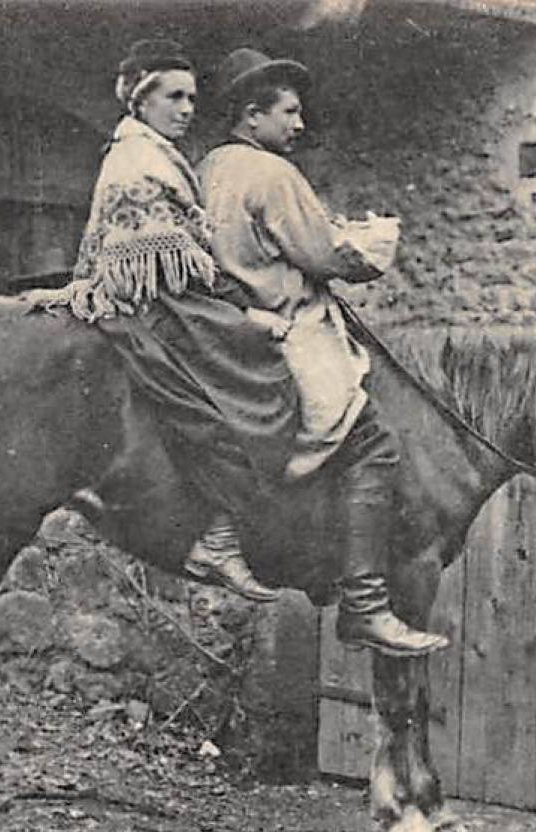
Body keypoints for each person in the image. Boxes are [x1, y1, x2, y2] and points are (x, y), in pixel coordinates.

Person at [197, 47, 449, 657]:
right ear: (252, 116)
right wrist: (373, 241)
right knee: (374, 442)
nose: (300, 125)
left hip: (227, 328)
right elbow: (326, 257)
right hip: (284, 326)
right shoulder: (273, 175)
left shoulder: (207, 167)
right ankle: (365, 604)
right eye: (289, 112)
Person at [66, 39, 297, 603]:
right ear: (141, 101)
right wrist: (246, 320)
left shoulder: (156, 153)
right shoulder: (139, 161)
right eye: (173, 97)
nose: (186, 109)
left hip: (166, 298)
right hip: (147, 310)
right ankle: (218, 537)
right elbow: (164, 276)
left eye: (192, 98)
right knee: (256, 390)